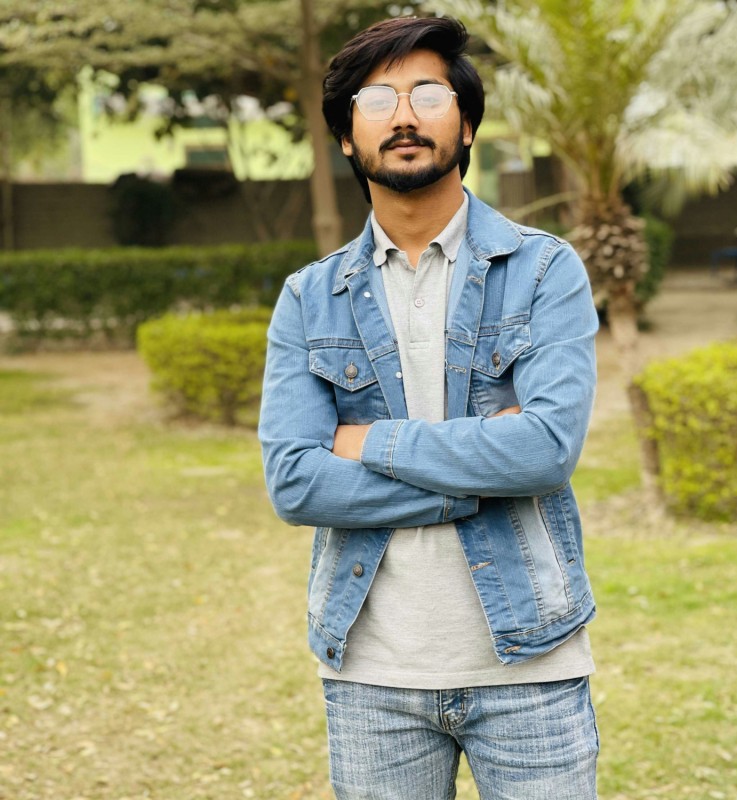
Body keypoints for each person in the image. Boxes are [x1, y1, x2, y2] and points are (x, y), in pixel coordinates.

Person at [259, 15, 600, 800]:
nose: (405, 116)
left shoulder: (543, 270)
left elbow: (545, 451)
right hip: (373, 675)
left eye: (428, 94)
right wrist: (477, 476)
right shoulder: (310, 298)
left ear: (467, 123)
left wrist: (367, 441)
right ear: (347, 138)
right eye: (378, 100)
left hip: (531, 665)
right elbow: (296, 483)